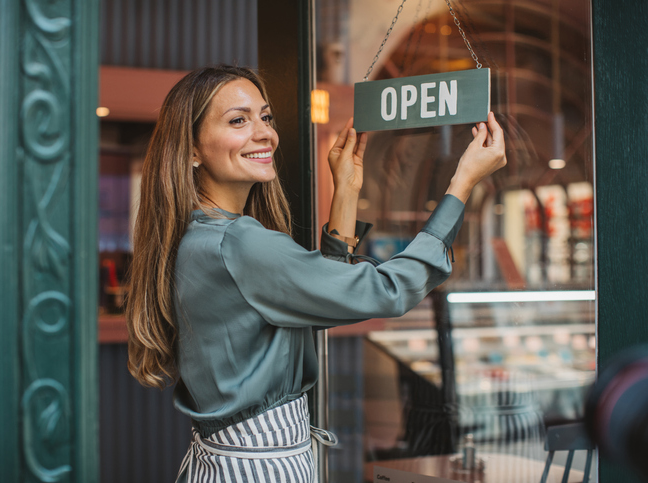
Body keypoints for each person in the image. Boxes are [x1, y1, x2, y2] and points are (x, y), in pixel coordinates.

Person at [126, 65, 506, 483]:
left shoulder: (199, 235)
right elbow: (388, 291)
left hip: (225, 460)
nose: (264, 132)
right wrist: (462, 183)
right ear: (192, 150)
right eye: (239, 120)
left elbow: (325, 292)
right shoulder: (240, 243)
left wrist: (345, 190)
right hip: (260, 469)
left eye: (265, 117)